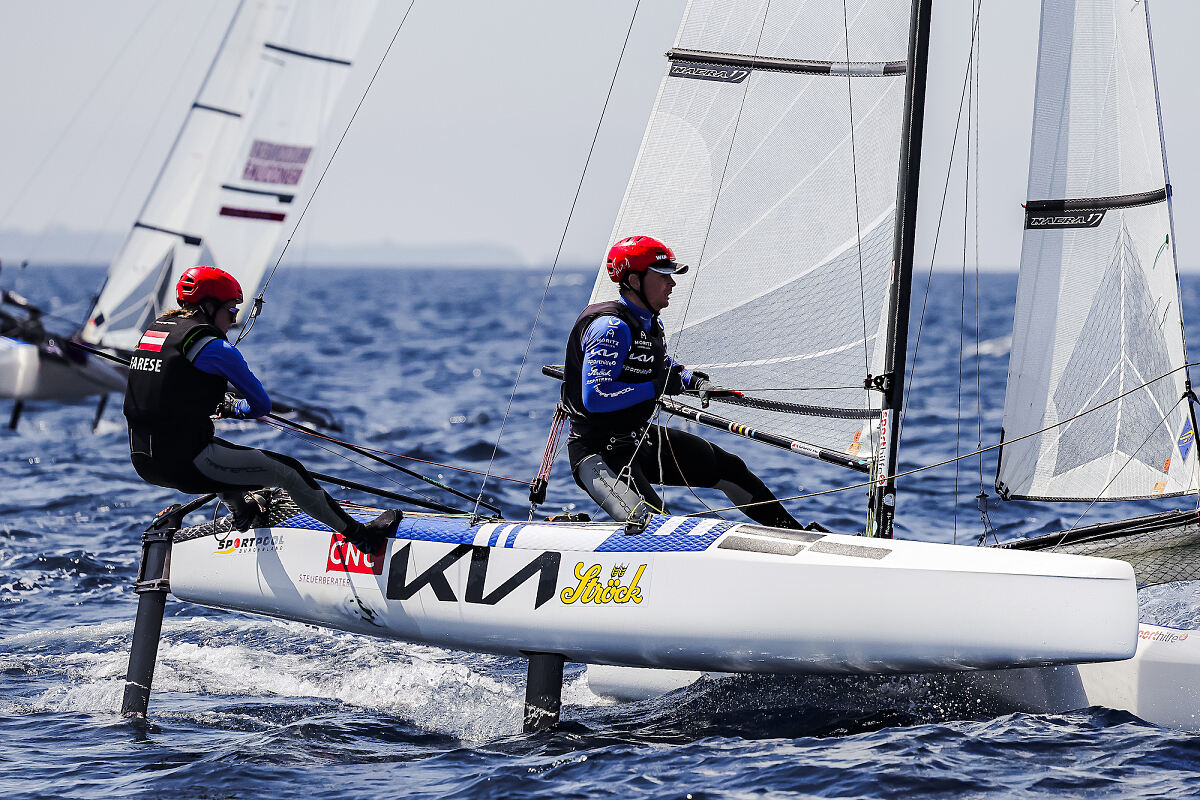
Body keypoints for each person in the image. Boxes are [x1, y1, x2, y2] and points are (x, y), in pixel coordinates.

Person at [123, 265, 398, 551]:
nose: (234, 320)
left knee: (217, 448)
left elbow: (166, 391)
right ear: (208, 306)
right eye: (231, 311)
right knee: (289, 472)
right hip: (183, 465)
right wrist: (234, 408)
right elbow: (260, 406)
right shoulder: (218, 349)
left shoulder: (153, 335)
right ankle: (362, 537)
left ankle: (243, 513)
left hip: (143, 461)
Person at [562, 235, 801, 529]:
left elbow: (660, 365)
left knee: (731, 468)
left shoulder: (649, 322)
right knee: (651, 523)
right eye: (663, 276)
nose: (672, 283)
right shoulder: (610, 327)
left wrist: (694, 381)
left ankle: (797, 535)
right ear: (635, 281)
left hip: (638, 439)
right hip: (597, 453)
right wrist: (656, 387)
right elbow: (596, 397)